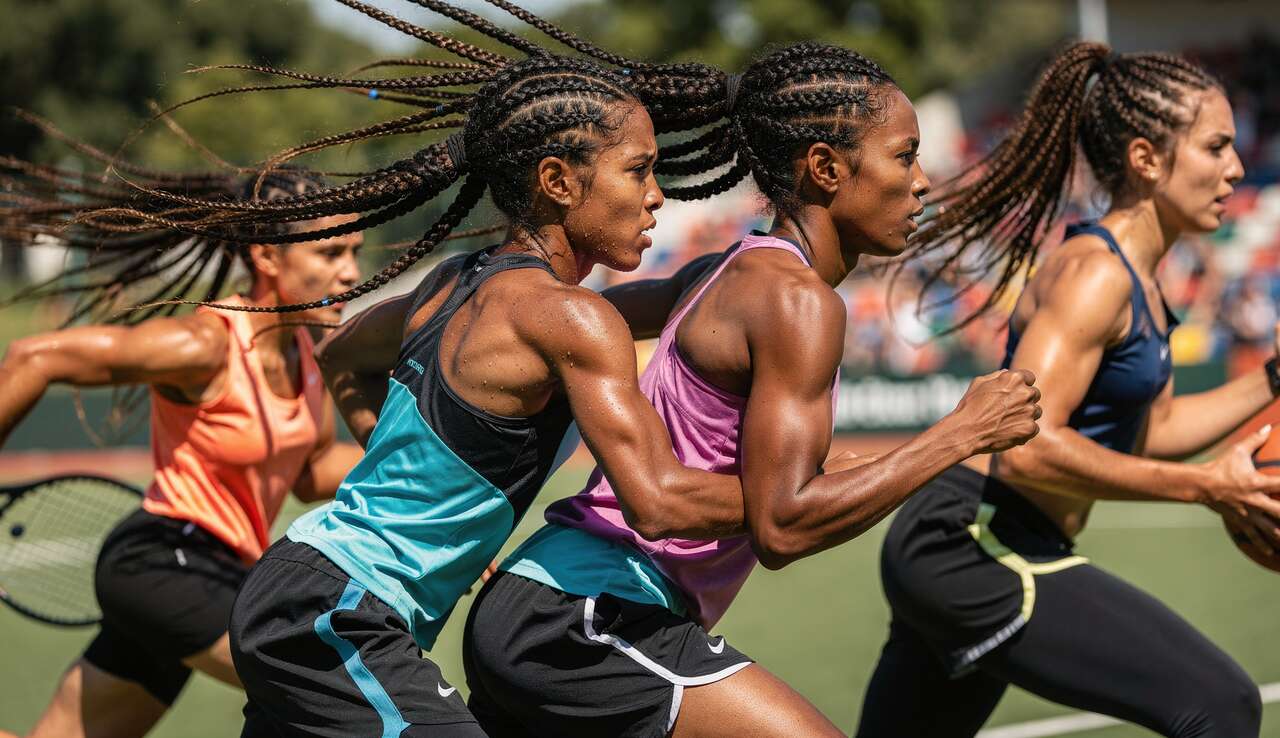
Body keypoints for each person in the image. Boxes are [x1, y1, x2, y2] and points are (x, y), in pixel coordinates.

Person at [411, 22, 1042, 736]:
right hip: (590, 615)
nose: (922, 180)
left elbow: (582, 314)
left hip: (549, 602)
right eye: (904, 156)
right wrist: (961, 433)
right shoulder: (798, 301)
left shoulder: (728, 268)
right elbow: (784, 525)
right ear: (827, 169)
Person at [187, 51, 769, 737]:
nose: (656, 196)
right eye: (638, 170)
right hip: (339, 609)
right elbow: (659, 500)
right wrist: (800, 493)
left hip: (309, 587)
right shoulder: (570, 318)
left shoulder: (455, 283)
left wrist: (412, 485)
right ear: (556, 180)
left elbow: (342, 357)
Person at [854, 42, 1280, 738]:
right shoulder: (1095, 276)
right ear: (1146, 159)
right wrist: (1205, 487)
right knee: (1223, 705)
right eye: (1215, 147)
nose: (1235, 167)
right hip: (975, 538)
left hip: (984, 538)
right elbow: (1025, 449)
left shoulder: (1137, 276)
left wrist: (1274, 376)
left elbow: (1156, 429)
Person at [0, 148, 364, 738]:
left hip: (218, 574)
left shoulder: (306, 350)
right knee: (329, 689)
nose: (350, 272)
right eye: (329, 253)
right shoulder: (205, 344)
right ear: (266, 256)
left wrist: (429, 482)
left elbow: (313, 467)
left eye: (353, 253)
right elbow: (33, 357)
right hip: (166, 563)